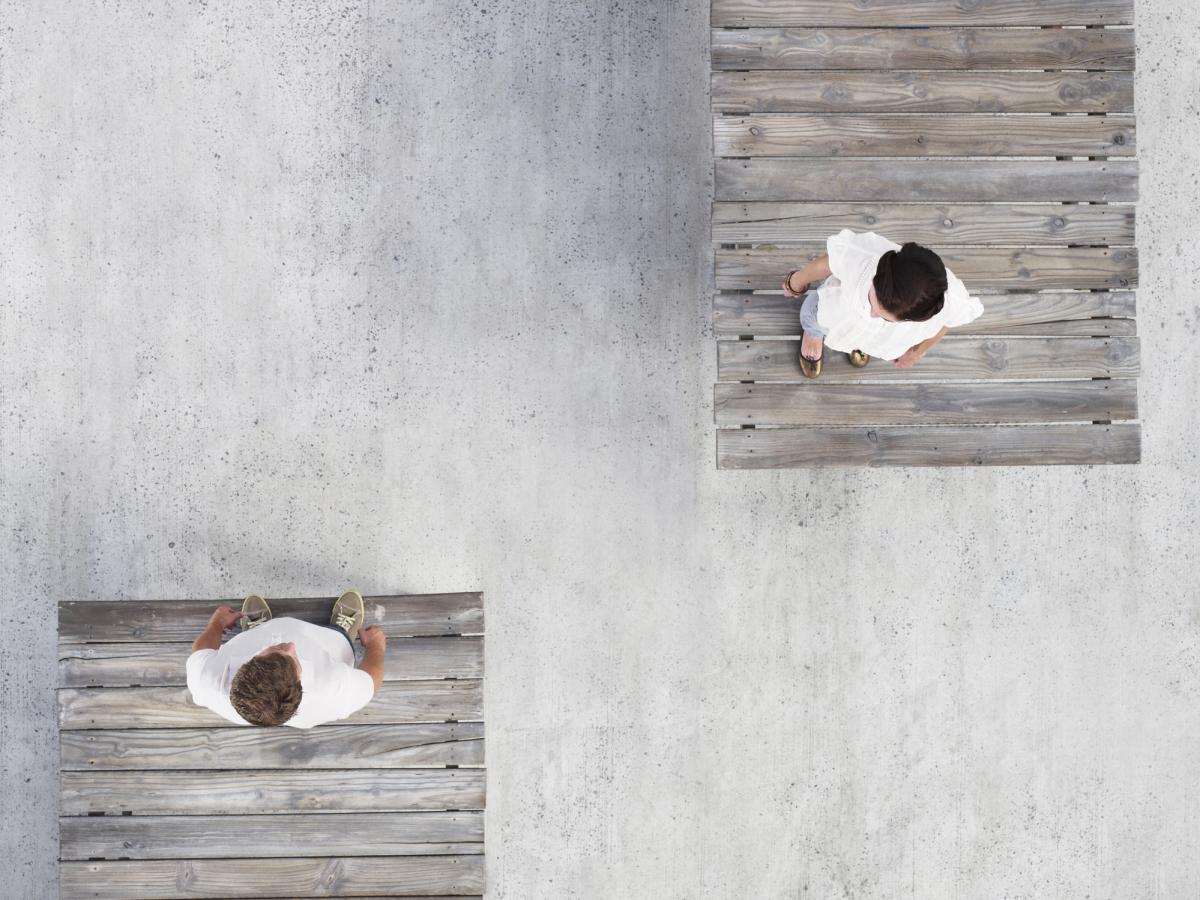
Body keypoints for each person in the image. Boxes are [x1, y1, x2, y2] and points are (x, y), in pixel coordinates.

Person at [782, 228, 984, 378]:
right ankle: (814, 334)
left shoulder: (952, 301)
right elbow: (826, 264)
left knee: (862, 337)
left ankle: (857, 342)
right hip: (835, 309)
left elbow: (947, 322)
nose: (871, 314)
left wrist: (917, 352)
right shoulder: (865, 258)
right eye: (873, 301)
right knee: (813, 316)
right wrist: (796, 282)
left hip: (883, 338)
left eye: (885, 317)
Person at [185, 590, 386, 728]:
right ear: (301, 686)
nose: (291, 646)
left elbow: (201, 651)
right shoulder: (336, 692)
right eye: (294, 660)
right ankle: (340, 629)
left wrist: (217, 624)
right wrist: (376, 645)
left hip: (254, 638)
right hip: (327, 642)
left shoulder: (204, 681)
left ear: (243, 668)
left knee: (255, 637)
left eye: (273, 651)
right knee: (338, 639)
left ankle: (259, 629)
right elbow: (371, 681)